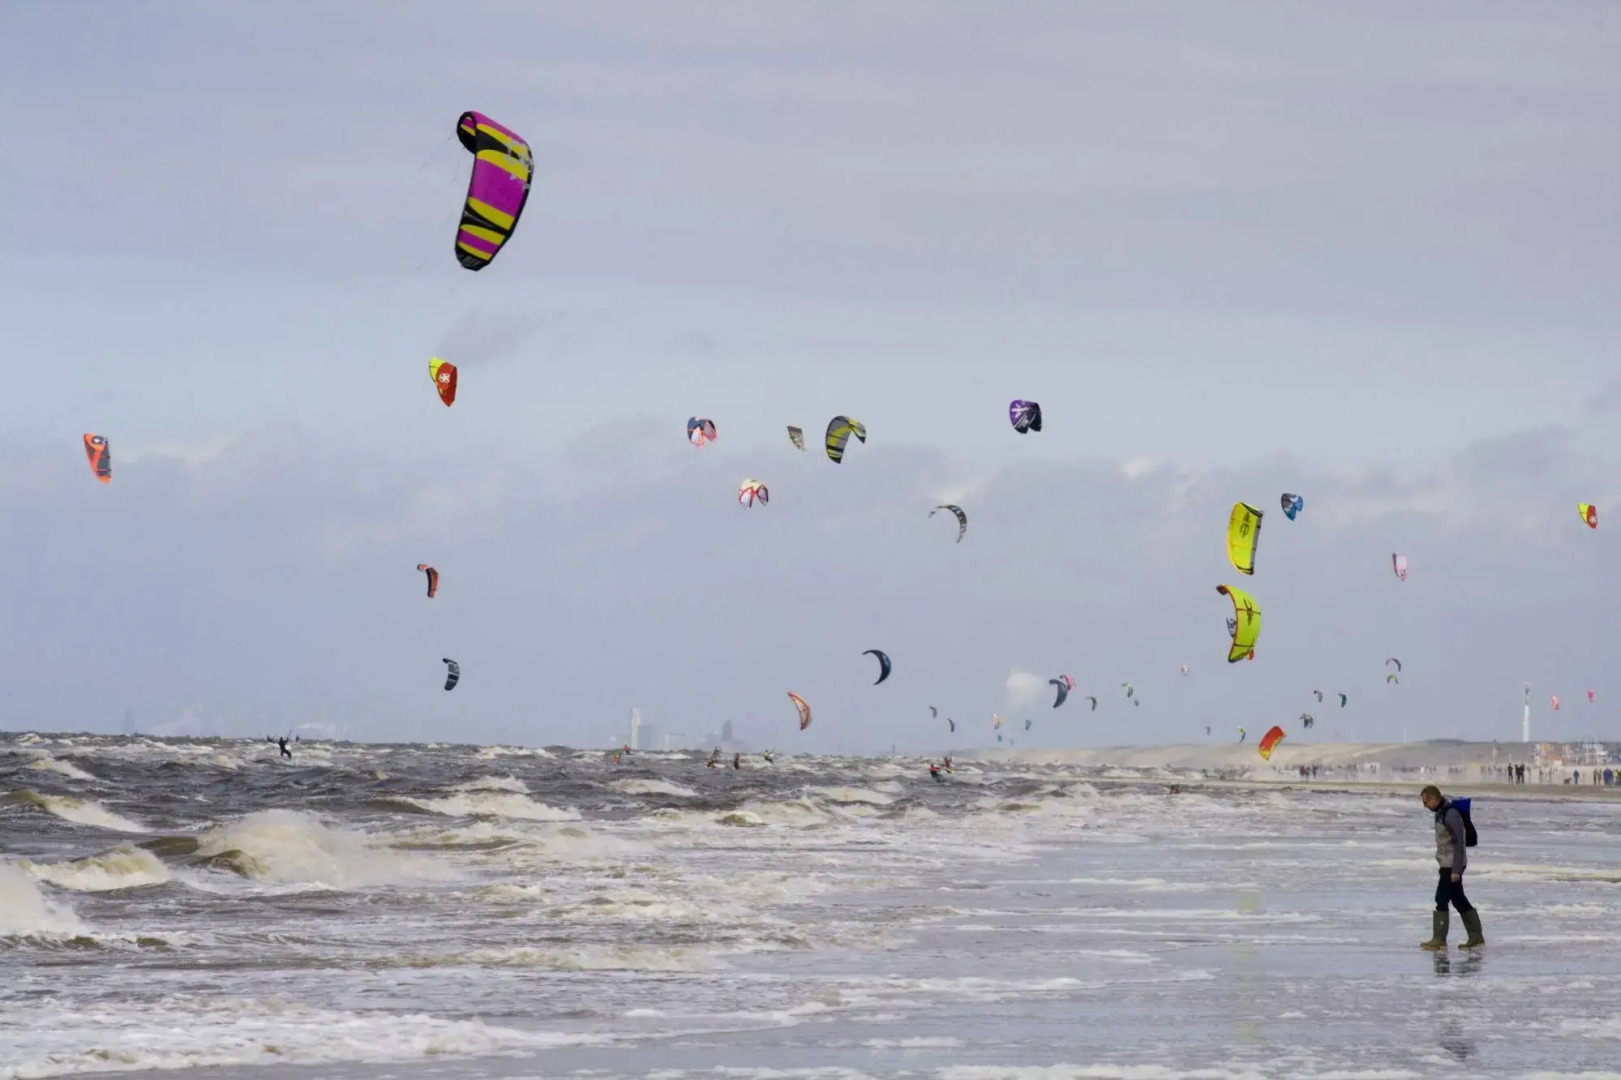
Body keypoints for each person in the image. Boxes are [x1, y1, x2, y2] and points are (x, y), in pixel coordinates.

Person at [1419, 785, 1483, 950]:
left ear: (1434, 798)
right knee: (1458, 899)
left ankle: (1439, 940)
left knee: (1441, 899)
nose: (1424, 806)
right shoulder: (1440, 814)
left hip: (1451, 865)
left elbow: (1459, 843)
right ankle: (1476, 938)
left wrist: (1456, 870)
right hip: (1446, 863)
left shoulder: (1451, 814)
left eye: (1426, 802)